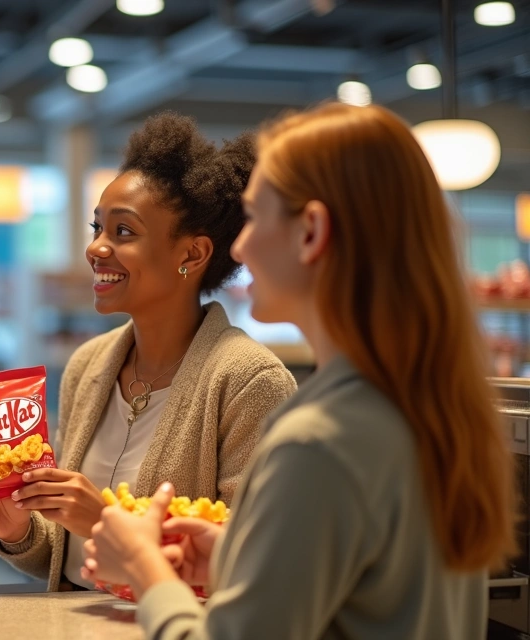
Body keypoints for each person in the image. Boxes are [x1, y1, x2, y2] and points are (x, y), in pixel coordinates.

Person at [83, 103, 515, 639]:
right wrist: (238, 559)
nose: (239, 246)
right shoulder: (425, 407)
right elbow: (377, 595)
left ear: (311, 232)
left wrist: (147, 572)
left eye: (257, 217)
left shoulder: (320, 440)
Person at [0, 113, 297, 591]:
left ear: (192, 254)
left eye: (124, 232)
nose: (96, 248)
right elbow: (68, 558)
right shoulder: (89, 365)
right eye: (97, 228)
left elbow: (257, 564)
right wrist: (17, 529)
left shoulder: (249, 380)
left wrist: (105, 521)